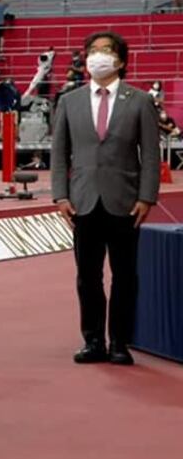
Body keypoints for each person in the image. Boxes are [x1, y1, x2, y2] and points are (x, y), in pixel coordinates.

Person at [50, 31, 161, 366]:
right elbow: (59, 154)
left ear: (121, 60)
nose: (97, 56)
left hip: (126, 202)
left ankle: (120, 342)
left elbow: (152, 155)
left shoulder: (140, 101)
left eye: (106, 50)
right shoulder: (69, 101)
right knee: (88, 276)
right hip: (82, 201)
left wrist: (147, 197)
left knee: (125, 275)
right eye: (92, 51)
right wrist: (59, 195)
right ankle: (93, 340)